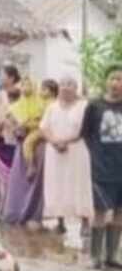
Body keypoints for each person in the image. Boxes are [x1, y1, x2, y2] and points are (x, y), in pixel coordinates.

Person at [40, 76, 93, 236]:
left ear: (76, 88)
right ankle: (60, 222)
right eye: (62, 84)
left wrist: (65, 141)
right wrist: (55, 142)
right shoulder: (52, 107)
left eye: (69, 84)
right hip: (55, 153)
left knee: (80, 185)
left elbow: (86, 129)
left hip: (77, 151)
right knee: (57, 185)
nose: (65, 87)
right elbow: (44, 128)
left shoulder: (84, 106)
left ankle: (84, 222)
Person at [84, 65, 122, 269]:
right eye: (113, 79)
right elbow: (86, 134)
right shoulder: (94, 106)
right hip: (101, 168)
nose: (116, 83)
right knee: (99, 212)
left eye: (120, 79)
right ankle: (95, 257)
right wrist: (96, 158)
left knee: (119, 212)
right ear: (106, 81)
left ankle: (112, 256)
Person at [0, 77, 48, 227]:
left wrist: (30, 126)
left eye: (29, 84)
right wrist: (16, 128)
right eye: (24, 84)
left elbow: (45, 123)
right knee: (18, 180)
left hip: (39, 147)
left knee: (35, 183)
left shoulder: (43, 104)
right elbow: (9, 122)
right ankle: (15, 213)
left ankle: (34, 215)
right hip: (21, 148)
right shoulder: (16, 106)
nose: (26, 87)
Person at [0, 65, 23, 205]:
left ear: (11, 77)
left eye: (2, 75)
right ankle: (5, 204)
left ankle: (13, 204)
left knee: (14, 172)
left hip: (13, 139)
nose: (0, 78)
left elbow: (13, 115)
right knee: (0, 174)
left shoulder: (20, 93)